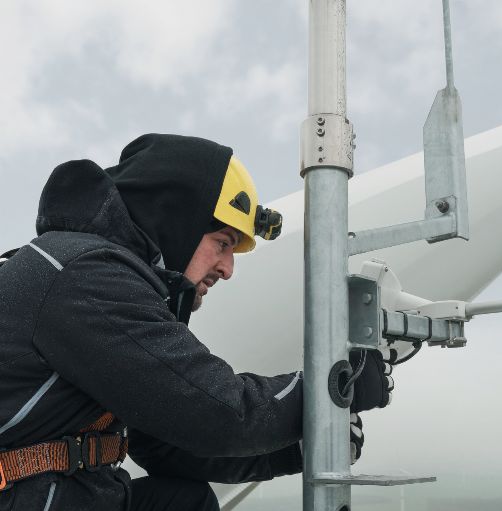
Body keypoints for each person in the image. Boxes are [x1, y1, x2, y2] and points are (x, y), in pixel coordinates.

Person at [0, 134, 393, 510]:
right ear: (175, 220)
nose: (227, 269)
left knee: (182, 502)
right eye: (222, 243)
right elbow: (218, 414)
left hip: (57, 496)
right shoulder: (84, 274)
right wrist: (338, 382)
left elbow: (164, 445)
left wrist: (298, 449)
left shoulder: (94, 273)